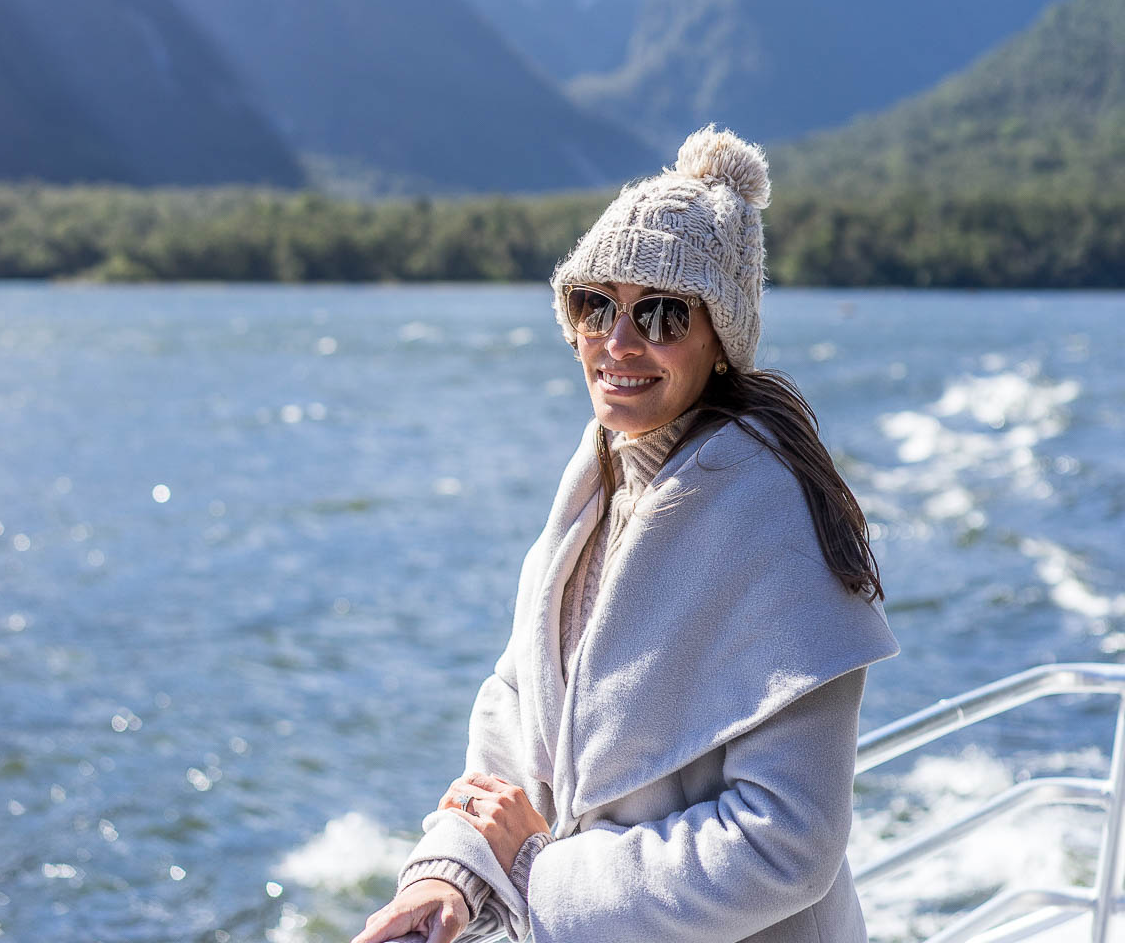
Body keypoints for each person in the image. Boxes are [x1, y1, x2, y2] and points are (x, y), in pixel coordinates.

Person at [352, 126, 898, 943]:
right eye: (593, 304)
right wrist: (452, 874)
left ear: (721, 340)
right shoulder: (599, 476)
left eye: (663, 312)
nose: (617, 340)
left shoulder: (775, 515)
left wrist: (542, 874)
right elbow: (519, 709)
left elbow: (790, 842)